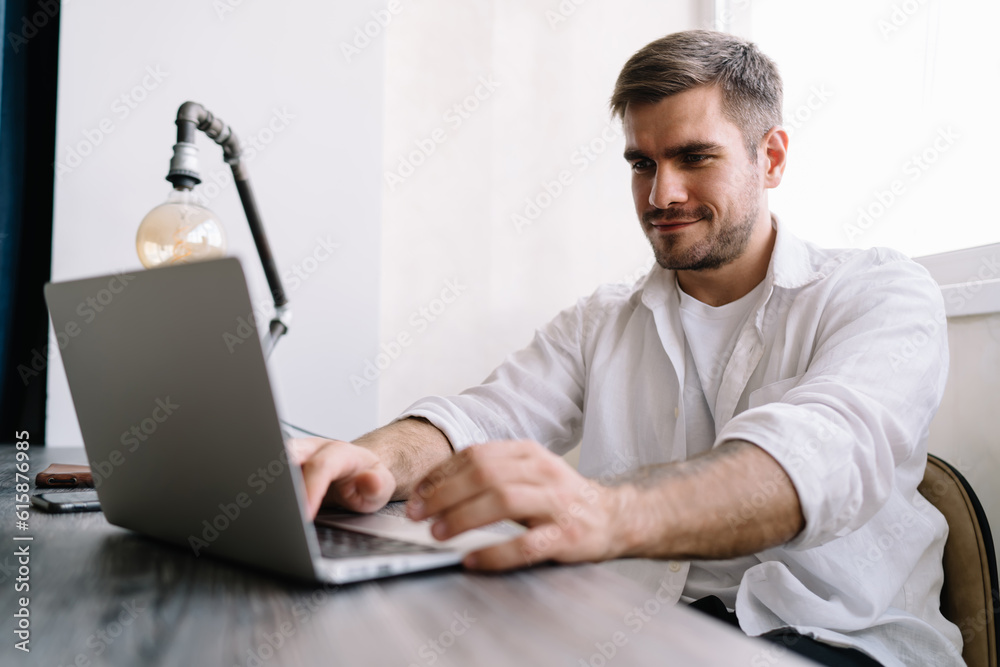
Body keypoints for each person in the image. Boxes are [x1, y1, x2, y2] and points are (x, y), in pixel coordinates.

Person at [293, 30, 961, 667]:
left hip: (840, 642)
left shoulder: (882, 293)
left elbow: (816, 460)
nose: (661, 194)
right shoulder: (601, 319)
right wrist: (367, 457)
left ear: (773, 157)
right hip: (643, 630)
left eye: (695, 157)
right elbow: (479, 418)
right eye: (643, 163)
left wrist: (608, 511)